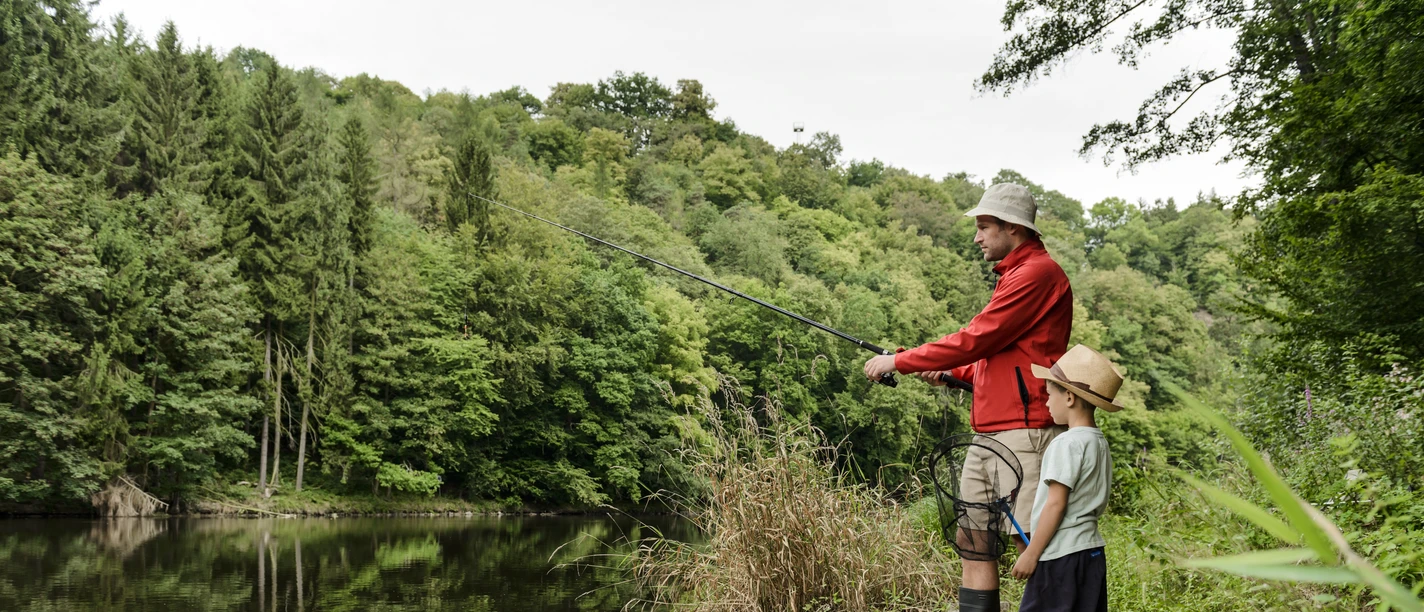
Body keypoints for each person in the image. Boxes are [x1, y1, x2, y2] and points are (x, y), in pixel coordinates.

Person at [863, 183, 1073, 612]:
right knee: (974, 541)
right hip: (990, 433)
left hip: (1027, 432)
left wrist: (900, 361)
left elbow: (977, 338)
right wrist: (951, 372)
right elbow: (997, 355)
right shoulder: (1013, 275)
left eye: (983, 227)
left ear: (1012, 227)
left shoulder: (1037, 273)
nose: (976, 237)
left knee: (1029, 540)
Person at [1011, 344, 1123, 612]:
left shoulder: (1066, 443)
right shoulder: (1098, 442)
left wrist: (1031, 554)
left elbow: (1056, 504)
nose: (1047, 403)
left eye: (1050, 395)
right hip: (1091, 553)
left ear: (1069, 398)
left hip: (1060, 557)